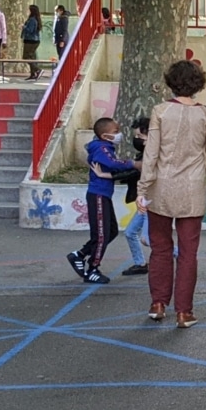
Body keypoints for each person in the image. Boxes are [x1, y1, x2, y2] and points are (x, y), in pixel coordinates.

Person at [136, 59, 206, 327]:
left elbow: (151, 153)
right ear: (198, 84)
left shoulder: (161, 111)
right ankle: (184, 311)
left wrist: (143, 188)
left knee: (160, 249)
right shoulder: (204, 115)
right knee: (189, 253)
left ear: (170, 82)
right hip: (192, 189)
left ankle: (158, 303)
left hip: (160, 188)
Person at [68, 118, 136, 285]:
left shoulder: (106, 147)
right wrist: (133, 163)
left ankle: (80, 254)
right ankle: (92, 269)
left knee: (111, 231)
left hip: (104, 195)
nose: (119, 134)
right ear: (105, 135)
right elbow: (112, 164)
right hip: (98, 195)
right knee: (101, 235)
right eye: (115, 131)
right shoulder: (101, 148)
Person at [121, 117, 151, 277]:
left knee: (147, 239)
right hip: (144, 200)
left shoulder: (155, 155)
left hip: (151, 201)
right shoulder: (144, 154)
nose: (137, 141)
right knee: (130, 232)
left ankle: (181, 255)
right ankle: (140, 263)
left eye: (140, 137)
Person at [21, 4, 44, 80]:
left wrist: (23, 27)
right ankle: (33, 73)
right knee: (32, 57)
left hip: (30, 41)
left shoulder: (32, 20)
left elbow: (30, 30)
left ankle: (37, 69)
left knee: (26, 57)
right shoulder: (35, 19)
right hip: (34, 40)